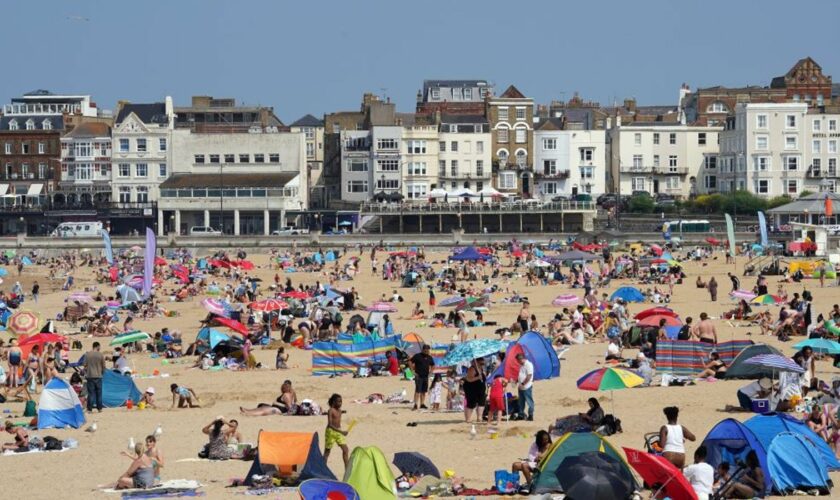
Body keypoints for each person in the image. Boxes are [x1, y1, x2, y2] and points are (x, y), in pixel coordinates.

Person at [324, 394, 350, 467]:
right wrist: (342, 432)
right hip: (331, 432)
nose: (340, 403)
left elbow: (338, 417)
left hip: (338, 431)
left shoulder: (340, 410)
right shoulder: (330, 411)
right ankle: (323, 468)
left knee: (345, 450)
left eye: (341, 401)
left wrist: (343, 412)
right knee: (327, 451)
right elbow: (330, 424)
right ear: (333, 402)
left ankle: (347, 468)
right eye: (338, 402)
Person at [409, 344, 435, 410]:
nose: (427, 351)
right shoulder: (417, 356)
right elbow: (410, 362)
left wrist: (431, 372)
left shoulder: (429, 357)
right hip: (418, 376)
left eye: (428, 350)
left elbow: (433, 365)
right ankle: (415, 404)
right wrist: (412, 371)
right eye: (426, 350)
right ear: (423, 349)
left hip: (426, 376)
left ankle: (422, 404)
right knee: (418, 390)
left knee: (424, 391)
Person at [84, 341, 106, 412]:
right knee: (99, 393)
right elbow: (104, 366)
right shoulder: (100, 355)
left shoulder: (87, 355)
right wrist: (102, 373)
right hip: (98, 376)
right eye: (99, 347)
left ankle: (89, 409)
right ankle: (99, 408)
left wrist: (88, 371)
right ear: (97, 346)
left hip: (90, 376)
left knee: (91, 393)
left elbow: (84, 365)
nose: (100, 348)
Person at [463, 358, 486, 423]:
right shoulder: (472, 369)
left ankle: (479, 418)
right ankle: (468, 419)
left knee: (481, 402)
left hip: (480, 389)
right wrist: (478, 377)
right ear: (476, 362)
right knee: (471, 403)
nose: (482, 364)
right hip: (471, 389)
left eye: (483, 363)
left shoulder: (481, 369)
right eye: (481, 363)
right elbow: (468, 379)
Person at [514, 353, 534, 421]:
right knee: (521, 402)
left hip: (527, 386)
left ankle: (530, 415)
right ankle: (521, 414)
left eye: (518, 360)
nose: (517, 362)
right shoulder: (521, 365)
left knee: (529, 401)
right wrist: (517, 381)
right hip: (521, 386)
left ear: (521, 359)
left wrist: (523, 383)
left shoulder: (528, 365)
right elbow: (521, 374)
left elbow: (529, 376)